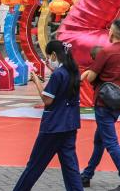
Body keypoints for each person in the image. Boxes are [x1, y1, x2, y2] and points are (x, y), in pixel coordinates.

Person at [12, 40, 84, 191]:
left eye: (48, 56)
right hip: (70, 123)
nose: (49, 59)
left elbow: (47, 100)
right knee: (70, 166)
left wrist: (37, 82)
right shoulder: (73, 71)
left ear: (53, 55)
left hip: (53, 125)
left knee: (35, 164)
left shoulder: (59, 74)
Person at [80, 19, 120, 191]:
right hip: (118, 102)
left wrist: (87, 73)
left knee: (110, 142)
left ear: (111, 32)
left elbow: (90, 78)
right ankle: (86, 175)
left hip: (104, 102)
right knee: (100, 140)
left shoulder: (106, 52)